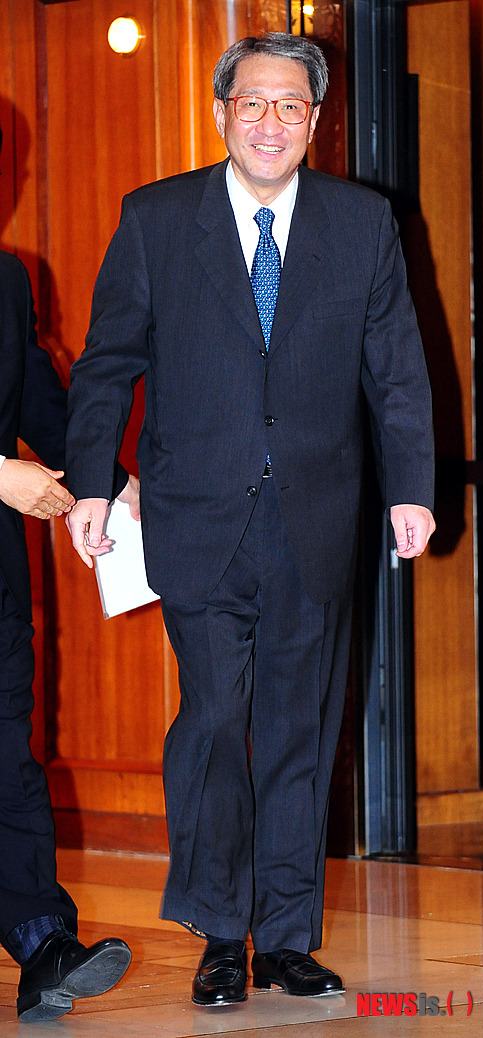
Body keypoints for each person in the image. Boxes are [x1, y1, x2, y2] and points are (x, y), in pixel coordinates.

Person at [65, 32, 435, 1008]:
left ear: (315, 120)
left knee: (299, 730)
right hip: (195, 518)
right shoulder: (155, 218)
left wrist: (412, 487)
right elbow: (106, 362)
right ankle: (220, 932)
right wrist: (93, 482)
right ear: (222, 113)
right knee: (216, 720)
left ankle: (285, 937)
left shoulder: (362, 223)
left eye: (291, 106)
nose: (271, 122)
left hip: (316, 518)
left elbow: (395, 368)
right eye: (253, 103)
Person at [0, 123, 141, 1021]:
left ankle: (44, 943)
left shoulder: (6, 279)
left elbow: (42, 405)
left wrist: (111, 485)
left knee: (7, 763)